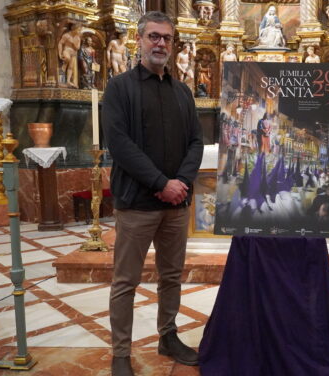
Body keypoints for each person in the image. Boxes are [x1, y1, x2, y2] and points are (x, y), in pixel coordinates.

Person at [102, 11, 204, 376]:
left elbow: (196, 141)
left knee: (171, 276)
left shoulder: (182, 91)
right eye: (154, 37)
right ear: (140, 40)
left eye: (167, 38)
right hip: (137, 204)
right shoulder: (119, 87)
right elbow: (120, 144)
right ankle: (120, 352)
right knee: (125, 281)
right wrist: (162, 183)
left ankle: (168, 336)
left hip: (176, 205)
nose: (161, 43)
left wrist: (181, 183)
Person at [58, 23, 82, 88]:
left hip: (74, 53)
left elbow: (78, 48)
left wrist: (73, 43)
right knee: (66, 60)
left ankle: (68, 81)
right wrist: (60, 53)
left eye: (80, 30)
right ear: (74, 29)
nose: (79, 32)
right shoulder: (66, 35)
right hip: (67, 51)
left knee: (71, 67)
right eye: (78, 30)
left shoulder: (78, 38)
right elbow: (60, 43)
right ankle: (61, 79)